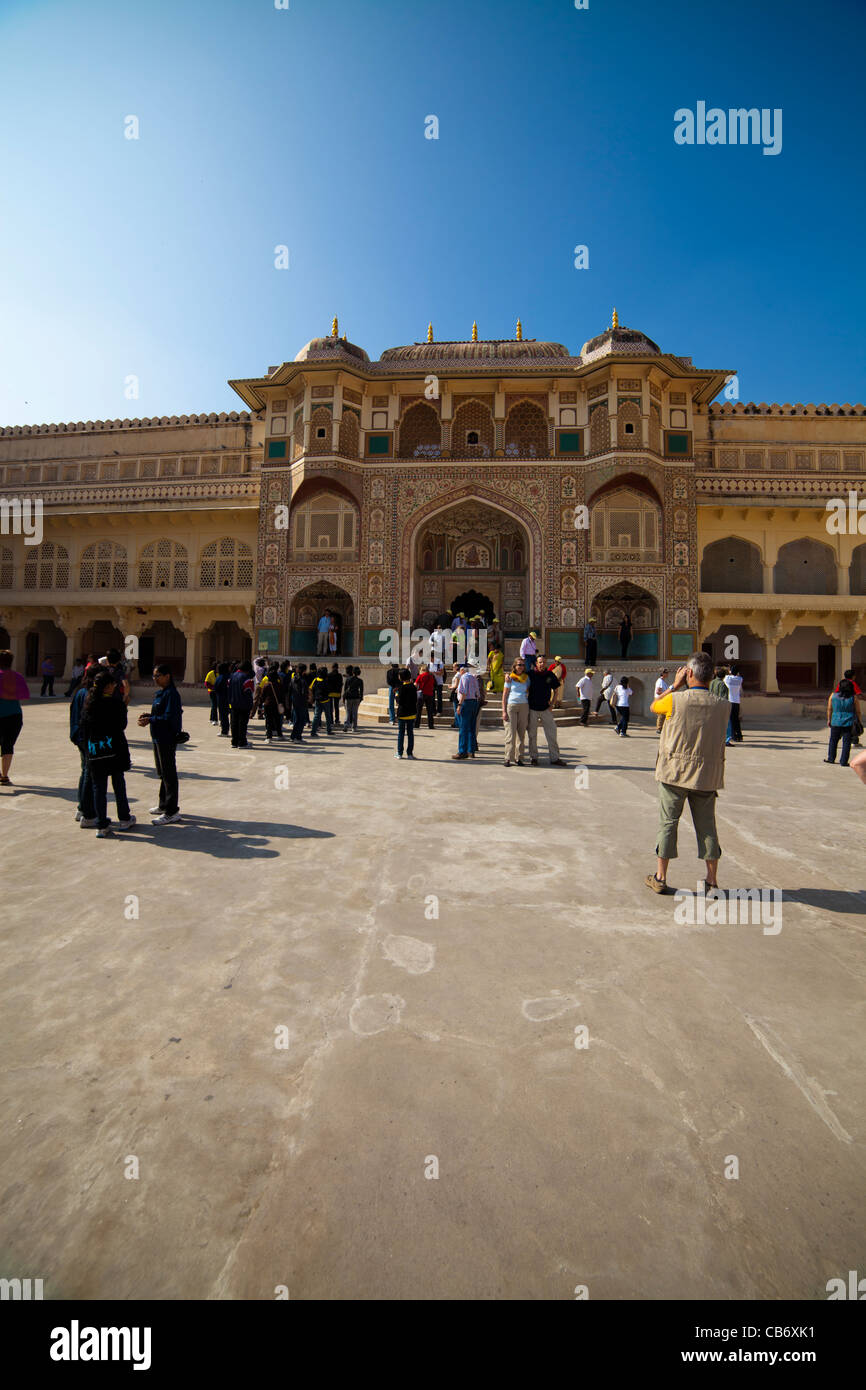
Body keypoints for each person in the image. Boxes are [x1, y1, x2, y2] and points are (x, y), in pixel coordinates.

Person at [646, 652, 729, 895]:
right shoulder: (723, 705)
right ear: (712, 675)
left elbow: (654, 706)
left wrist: (675, 685)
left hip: (674, 773)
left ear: (689, 673)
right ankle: (712, 880)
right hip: (706, 775)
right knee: (707, 827)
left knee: (669, 823)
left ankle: (660, 877)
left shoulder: (675, 700)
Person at [81, 669, 134, 837]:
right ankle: (124, 818)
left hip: (97, 749)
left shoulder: (90, 703)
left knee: (99, 787)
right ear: (108, 686)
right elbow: (121, 725)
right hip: (114, 749)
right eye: (113, 684)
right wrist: (125, 704)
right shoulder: (115, 704)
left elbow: (84, 727)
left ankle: (101, 824)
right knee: (118, 784)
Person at [137, 665, 184, 823]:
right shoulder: (161, 693)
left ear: (167, 676)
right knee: (162, 773)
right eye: (154, 675)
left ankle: (172, 811)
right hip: (157, 737)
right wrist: (150, 716)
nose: (155, 678)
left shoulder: (172, 695)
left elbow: (170, 718)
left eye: (158, 675)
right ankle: (163, 804)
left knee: (169, 774)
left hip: (166, 738)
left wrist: (151, 719)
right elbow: (161, 714)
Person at [528, 654, 566, 766]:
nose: (542, 664)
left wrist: (552, 705)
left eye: (544, 662)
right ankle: (533, 758)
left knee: (552, 734)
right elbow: (519, 678)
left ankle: (555, 758)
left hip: (546, 709)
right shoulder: (530, 674)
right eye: (540, 662)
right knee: (532, 735)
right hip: (532, 709)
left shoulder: (549, 675)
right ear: (536, 663)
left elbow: (556, 691)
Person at [70, 665, 97, 825]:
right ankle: (88, 813)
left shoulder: (80, 692)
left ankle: (81, 807)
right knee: (89, 773)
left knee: (84, 771)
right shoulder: (89, 694)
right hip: (87, 738)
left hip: (79, 736)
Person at [0, 649, 30, 787]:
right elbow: (24, 695)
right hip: (14, 715)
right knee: (8, 745)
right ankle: (4, 776)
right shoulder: (17, 676)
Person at [824, 678, 861, 768]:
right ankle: (844, 761)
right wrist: (858, 721)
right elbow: (858, 711)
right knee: (847, 742)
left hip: (835, 721)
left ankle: (831, 758)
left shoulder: (832, 696)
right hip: (849, 722)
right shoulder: (853, 697)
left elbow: (829, 709)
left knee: (833, 740)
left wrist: (829, 719)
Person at [501, 656, 530, 766]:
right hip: (512, 706)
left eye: (523, 665)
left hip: (524, 706)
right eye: (519, 665)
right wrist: (503, 711)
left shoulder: (527, 678)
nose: (521, 667)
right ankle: (508, 757)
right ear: (514, 666)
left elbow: (530, 690)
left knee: (521, 734)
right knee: (510, 733)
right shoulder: (510, 678)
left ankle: (519, 758)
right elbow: (504, 696)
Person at [452, 662, 481, 761]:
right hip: (474, 702)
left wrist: (459, 705)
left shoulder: (464, 677)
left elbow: (463, 692)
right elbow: (478, 692)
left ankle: (462, 751)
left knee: (463, 728)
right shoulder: (473, 677)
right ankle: (471, 750)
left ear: (462, 670)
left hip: (466, 702)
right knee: (471, 728)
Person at [253, 663, 285, 741]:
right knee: (277, 720)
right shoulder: (279, 684)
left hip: (268, 705)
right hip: (276, 704)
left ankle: (269, 737)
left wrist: (260, 705)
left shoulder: (267, 685)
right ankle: (280, 735)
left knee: (269, 721)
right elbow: (282, 695)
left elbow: (262, 696)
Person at [833, 669, 863, 747]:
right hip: (850, 705)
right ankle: (854, 741)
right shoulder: (852, 683)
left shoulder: (841, 683)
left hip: (840, 705)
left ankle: (837, 738)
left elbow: (836, 692)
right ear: (853, 676)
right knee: (854, 723)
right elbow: (859, 693)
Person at [228, 661, 255, 748]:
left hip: (233, 703)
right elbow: (249, 691)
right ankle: (242, 742)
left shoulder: (232, 676)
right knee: (242, 724)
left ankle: (234, 741)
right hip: (244, 704)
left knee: (234, 723)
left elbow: (228, 689)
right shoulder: (246, 678)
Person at [395, 667, 417, 759]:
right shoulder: (413, 687)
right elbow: (415, 700)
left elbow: (399, 701)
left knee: (401, 734)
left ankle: (399, 753)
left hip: (402, 714)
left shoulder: (401, 688)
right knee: (410, 734)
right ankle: (410, 754)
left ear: (401, 677)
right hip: (411, 713)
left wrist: (396, 695)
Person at [309, 665, 332, 736]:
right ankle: (328, 731)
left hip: (318, 701)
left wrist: (312, 697)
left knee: (316, 716)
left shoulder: (315, 680)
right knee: (328, 716)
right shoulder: (327, 680)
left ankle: (313, 732)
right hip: (326, 701)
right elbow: (329, 690)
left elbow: (310, 688)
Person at [723, 663, 744, 745]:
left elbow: (726, 675)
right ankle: (739, 735)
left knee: (730, 720)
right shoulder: (740, 679)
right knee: (736, 719)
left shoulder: (727, 678)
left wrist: (728, 670)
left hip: (729, 700)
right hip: (737, 701)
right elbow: (736, 675)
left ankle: (732, 735)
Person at [289, 664, 310, 741]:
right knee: (301, 720)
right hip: (302, 703)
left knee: (297, 720)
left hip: (295, 702)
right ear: (304, 671)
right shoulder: (303, 681)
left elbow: (290, 691)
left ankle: (293, 736)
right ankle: (297, 737)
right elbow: (303, 693)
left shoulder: (293, 679)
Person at [414, 663, 436, 729]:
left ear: (422, 670)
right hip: (430, 694)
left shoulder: (420, 676)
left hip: (421, 694)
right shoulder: (431, 676)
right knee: (429, 711)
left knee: (418, 710)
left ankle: (416, 724)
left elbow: (415, 684)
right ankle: (431, 725)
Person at [343, 666, 364, 732]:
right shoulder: (360, 681)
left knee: (348, 712)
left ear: (352, 672)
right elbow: (361, 691)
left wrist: (344, 698)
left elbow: (345, 689)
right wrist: (360, 698)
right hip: (356, 697)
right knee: (355, 712)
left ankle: (346, 725)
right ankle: (354, 727)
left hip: (348, 697)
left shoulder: (348, 679)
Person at [213, 662, 231, 736]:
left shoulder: (220, 677)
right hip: (231, 699)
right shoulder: (231, 676)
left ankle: (224, 731)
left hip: (222, 699)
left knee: (224, 716)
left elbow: (216, 688)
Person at [654, 668, 672, 733]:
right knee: (661, 714)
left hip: (662, 699)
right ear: (663, 673)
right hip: (660, 699)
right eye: (666, 673)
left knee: (663, 714)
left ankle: (661, 728)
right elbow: (658, 691)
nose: (667, 674)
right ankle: (659, 728)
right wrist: (665, 693)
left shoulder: (663, 681)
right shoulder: (660, 681)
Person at [327, 663, 344, 728]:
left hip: (330, 693)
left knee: (330, 708)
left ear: (332, 667)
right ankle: (337, 720)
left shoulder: (329, 675)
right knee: (336, 707)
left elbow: (327, 685)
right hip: (337, 693)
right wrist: (340, 693)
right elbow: (341, 685)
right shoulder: (339, 675)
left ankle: (331, 721)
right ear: (337, 668)